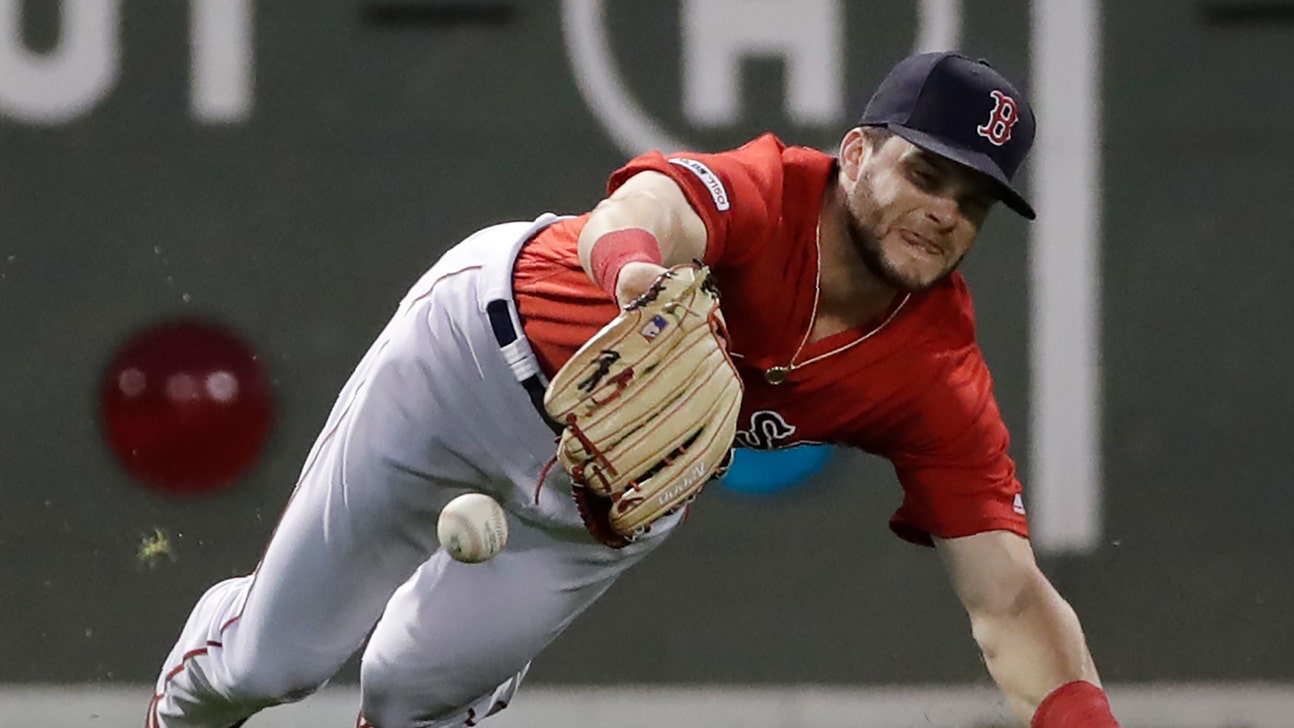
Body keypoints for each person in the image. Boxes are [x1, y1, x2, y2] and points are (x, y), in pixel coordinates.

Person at [146, 51, 1120, 728]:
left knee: (414, 697)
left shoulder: (937, 370)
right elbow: (647, 204)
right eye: (926, 172)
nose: (944, 211)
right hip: (471, 365)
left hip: (596, 503)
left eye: (974, 199)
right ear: (858, 153)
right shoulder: (776, 191)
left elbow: (1007, 599)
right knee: (274, 663)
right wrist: (630, 272)